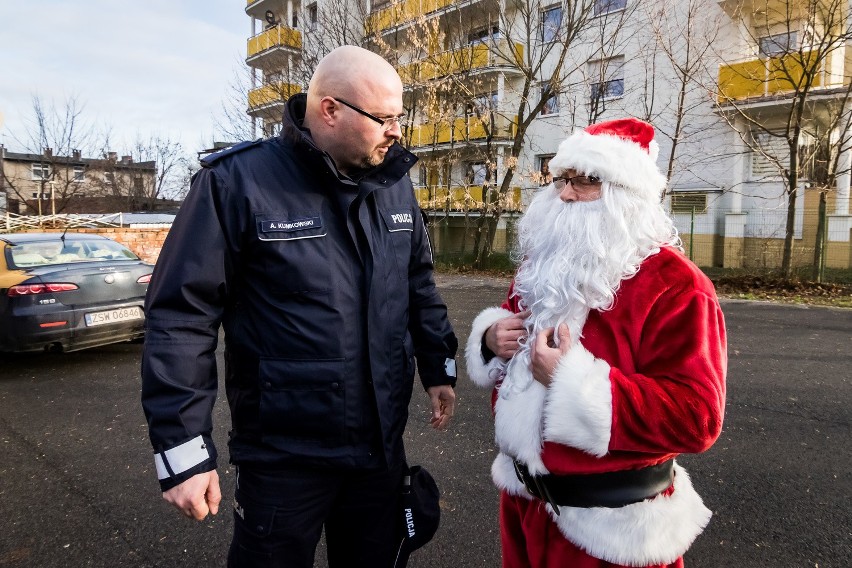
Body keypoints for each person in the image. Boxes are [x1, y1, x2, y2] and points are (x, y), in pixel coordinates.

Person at [141, 45, 458, 568]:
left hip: (379, 450)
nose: (396, 131)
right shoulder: (236, 183)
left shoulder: (394, 184)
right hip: (284, 462)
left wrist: (437, 366)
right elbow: (181, 315)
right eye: (383, 118)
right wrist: (183, 455)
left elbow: (417, 284)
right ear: (329, 110)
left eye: (400, 117)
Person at [465, 118, 727, 568]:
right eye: (562, 179)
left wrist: (572, 381)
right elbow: (510, 337)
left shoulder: (678, 286)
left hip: (612, 534)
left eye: (585, 181)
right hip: (525, 506)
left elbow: (697, 417)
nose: (565, 194)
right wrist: (491, 339)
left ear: (627, 196)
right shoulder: (541, 264)